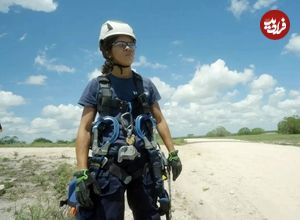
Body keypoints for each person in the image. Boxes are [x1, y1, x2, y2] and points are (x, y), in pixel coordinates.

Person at [74, 20, 182, 220]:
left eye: (131, 44)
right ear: (107, 51)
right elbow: (85, 128)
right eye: (121, 44)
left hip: (144, 165)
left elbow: (160, 121)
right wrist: (81, 171)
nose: (128, 48)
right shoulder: (96, 86)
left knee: (150, 216)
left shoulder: (146, 85)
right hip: (108, 168)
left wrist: (173, 153)